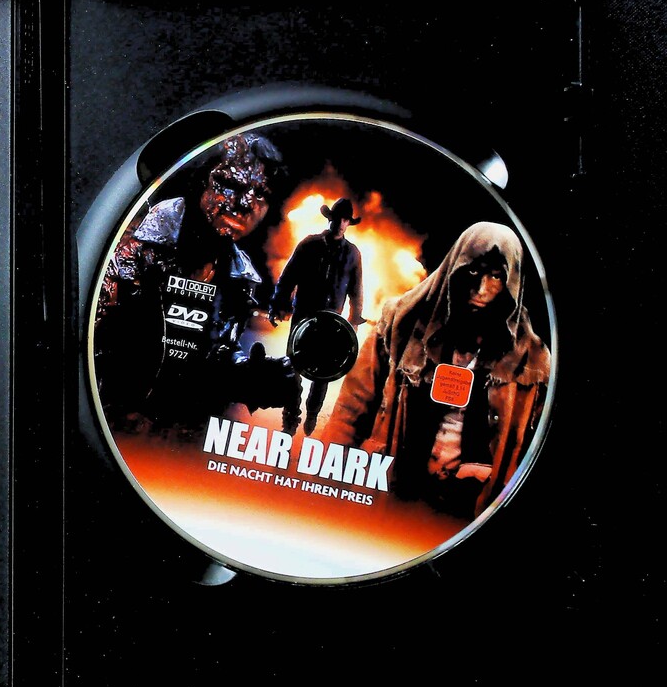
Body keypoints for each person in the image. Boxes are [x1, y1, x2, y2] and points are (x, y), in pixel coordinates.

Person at [324, 221, 551, 519]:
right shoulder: (400, 324)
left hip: (468, 512)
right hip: (393, 491)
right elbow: (350, 411)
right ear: (455, 267)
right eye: (473, 271)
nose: (481, 290)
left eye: (496, 276)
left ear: (511, 283)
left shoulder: (531, 361)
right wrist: (325, 490)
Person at [93, 132, 301, 432]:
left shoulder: (240, 279)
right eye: (230, 184)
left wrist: (249, 376)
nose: (245, 203)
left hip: (170, 444)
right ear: (199, 181)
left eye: (260, 193)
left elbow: (211, 358)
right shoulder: (127, 246)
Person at [269, 197, 367, 435]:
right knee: (294, 367)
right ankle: (290, 416)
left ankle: (312, 413)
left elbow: (356, 289)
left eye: (345, 220)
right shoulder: (309, 244)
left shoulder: (352, 254)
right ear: (330, 218)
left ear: (348, 223)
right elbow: (288, 276)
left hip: (332, 322)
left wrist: (354, 319)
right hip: (304, 317)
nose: (340, 223)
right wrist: (278, 304)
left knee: (324, 371)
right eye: (338, 218)